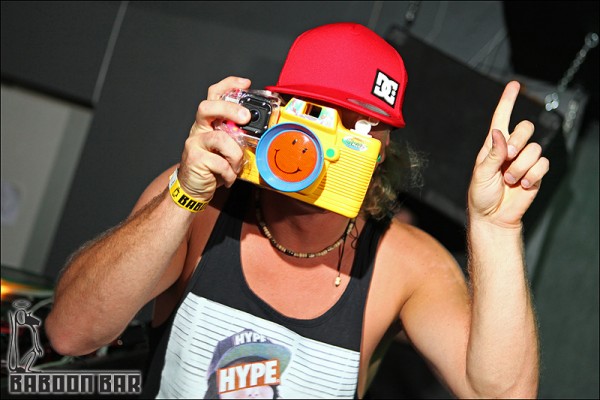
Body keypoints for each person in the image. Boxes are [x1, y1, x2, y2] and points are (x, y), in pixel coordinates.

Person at [45, 22, 547, 399]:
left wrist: (497, 229)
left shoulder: (407, 265)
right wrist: (184, 195)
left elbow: (502, 396)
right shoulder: (198, 207)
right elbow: (71, 333)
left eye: (354, 126)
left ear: (382, 147)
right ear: (273, 110)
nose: (323, 144)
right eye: (313, 114)